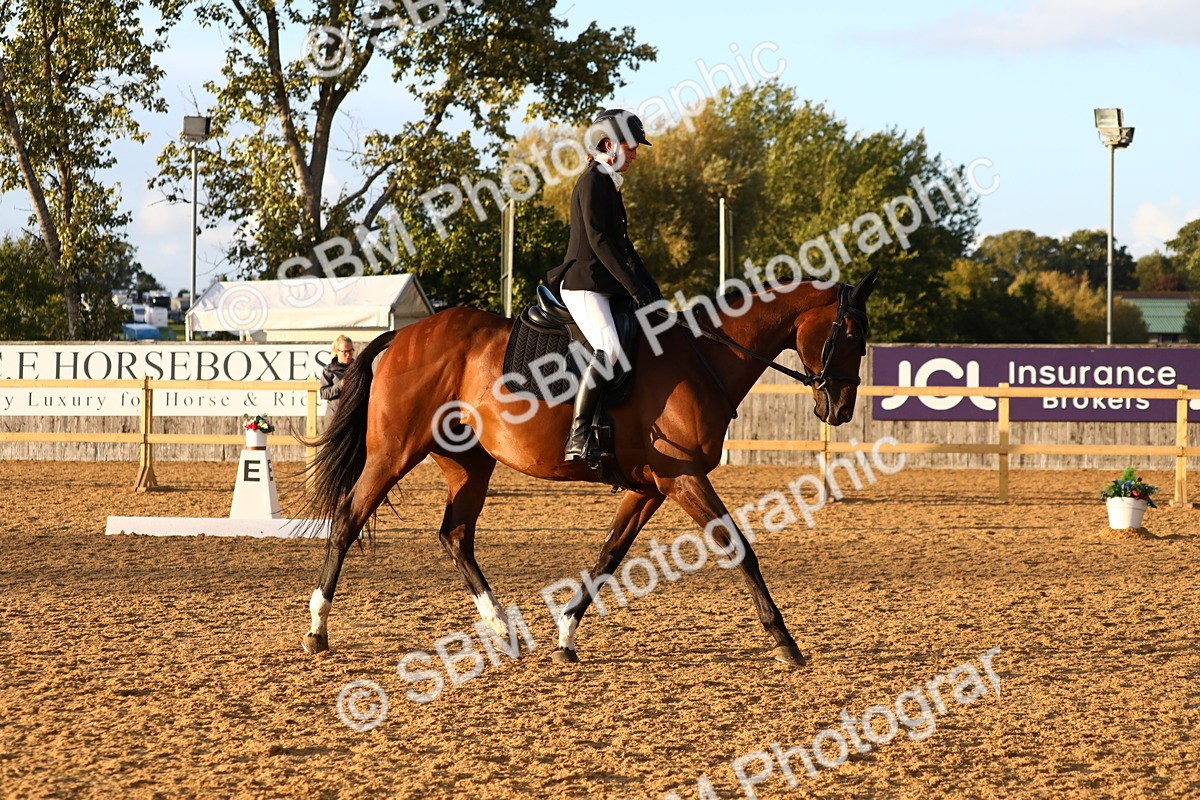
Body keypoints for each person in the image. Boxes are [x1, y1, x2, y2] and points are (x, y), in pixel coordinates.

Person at [546, 109, 663, 461]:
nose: (636, 155)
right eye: (632, 147)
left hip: (603, 285)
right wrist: (633, 289)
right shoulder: (593, 181)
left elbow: (625, 248)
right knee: (608, 349)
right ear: (610, 144)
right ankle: (578, 436)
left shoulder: (608, 181)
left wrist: (652, 292)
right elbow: (600, 242)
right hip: (584, 284)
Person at [320, 335, 354, 417]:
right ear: (337, 351)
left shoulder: (358, 369)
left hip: (354, 416)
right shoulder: (329, 370)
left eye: (350, 351)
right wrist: (340, 385)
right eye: (345, 352)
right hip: (334, 417)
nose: (348, 355)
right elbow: (324, 393)